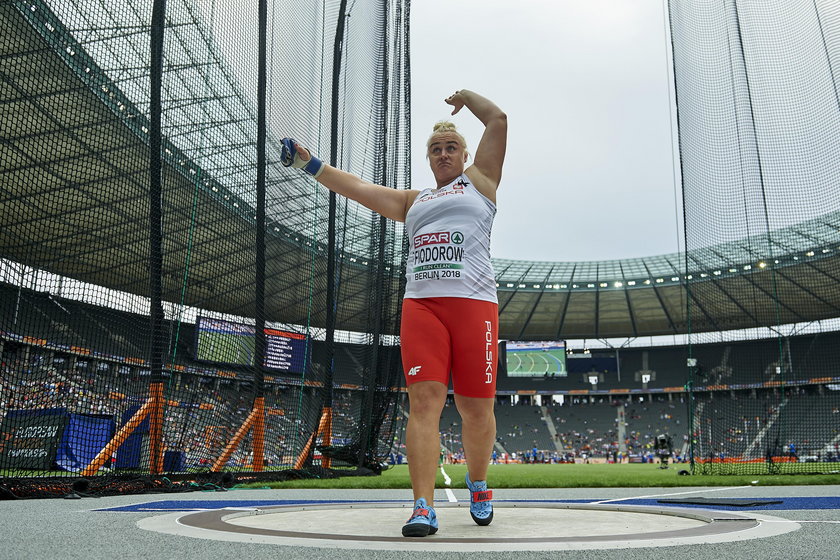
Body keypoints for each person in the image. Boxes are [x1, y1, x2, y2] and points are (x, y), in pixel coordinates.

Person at [280, 89, 507, 537]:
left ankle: (478, 482)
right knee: (424, 404)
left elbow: (498, 119)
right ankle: (423, 506)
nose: (443, 154)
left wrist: (465, 98)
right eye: (436, 150)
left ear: (464, 155)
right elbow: (361, 191)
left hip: (474, 307)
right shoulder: (413, 201)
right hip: (421, 306)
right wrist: (311, 164)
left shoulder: (481, 183)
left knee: (475, 408)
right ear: (429, 160)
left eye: (451, 148)